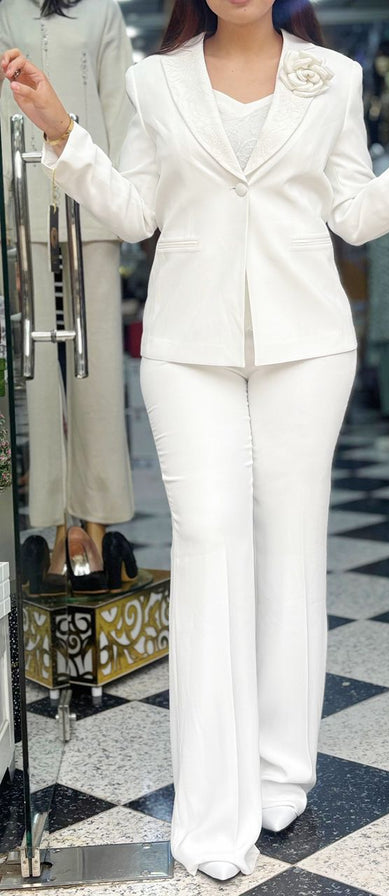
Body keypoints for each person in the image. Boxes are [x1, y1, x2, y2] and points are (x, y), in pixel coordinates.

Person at [1, 0, 389, 881]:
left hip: (307, 347)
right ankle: (210, 813)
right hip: (187, 348)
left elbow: (354, 212)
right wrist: (64, 132)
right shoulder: (155, 81)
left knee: (291, 551)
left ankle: (279, 773)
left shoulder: (333, 78)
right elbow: (137, 210)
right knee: (210, 541)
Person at [0, 0, 134, 558]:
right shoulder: (6, 10)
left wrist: (126, 202)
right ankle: (57, 524)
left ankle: (96, 525)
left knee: (96, 368)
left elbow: (120, 104)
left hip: (92, 207)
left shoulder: (102, 8)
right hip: (24, 206)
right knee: (37, 375)